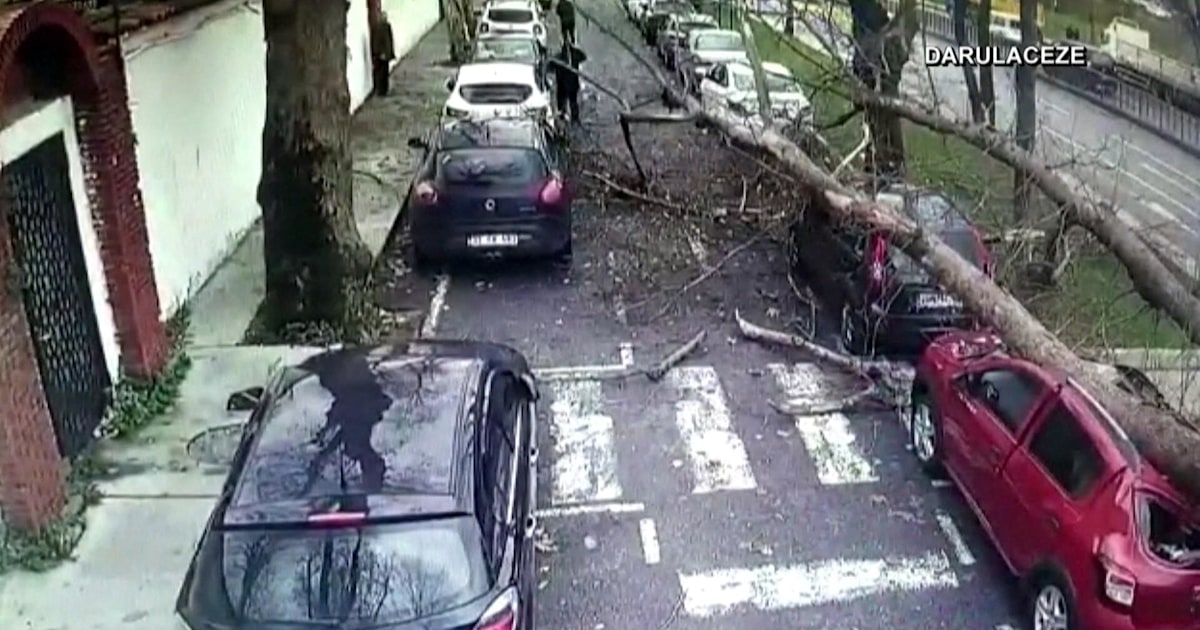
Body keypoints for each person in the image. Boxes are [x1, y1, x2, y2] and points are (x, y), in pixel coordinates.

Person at [551, 41, 587, 123]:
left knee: (568, 102)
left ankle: (567, 117)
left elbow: (550, 67)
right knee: (571, 102)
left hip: (565, 84)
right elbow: (583, 56)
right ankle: (571, 118)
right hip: (568, 84)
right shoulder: (574, 56)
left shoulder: (558, 57)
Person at [371, 11, 396, 97]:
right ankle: (381, 90)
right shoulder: (379, 28)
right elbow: (378, 41)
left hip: (385, 53)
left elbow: (389, 40)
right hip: (382, 54)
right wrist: (380, 52)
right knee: (382, 73)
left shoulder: (387, 26)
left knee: (384, 72)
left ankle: (383, 89)